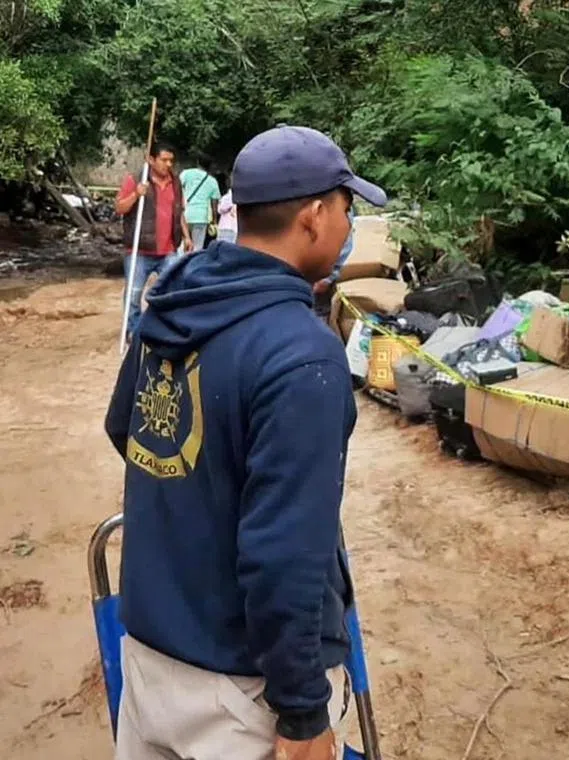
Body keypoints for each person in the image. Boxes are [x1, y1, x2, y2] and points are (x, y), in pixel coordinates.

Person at [104, 125, 387, 760]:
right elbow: (283, 554)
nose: (349, 227)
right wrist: (303, 711)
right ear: (315, 216)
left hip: (150, 665)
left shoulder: (175, 301)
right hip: (240, 697)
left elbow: (129, 431)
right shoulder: (300, 354)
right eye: (348, 209)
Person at [115, 142, 192, 338]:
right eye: (164, 160)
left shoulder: (175, 182)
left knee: (175, 292)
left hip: (168, 250)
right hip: (139, 251)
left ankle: (167, 329)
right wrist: (136, 194)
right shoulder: (135, 179)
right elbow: (120, 208)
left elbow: (179, 212)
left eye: (170, 161)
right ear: (151, 159)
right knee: (133, 295)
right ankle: (134, 330)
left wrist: (186, 235)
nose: (168, 164)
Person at [179, 159, 222, 251]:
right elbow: (214, 203)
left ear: (197, 163)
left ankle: (181, 262)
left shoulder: (186, 173)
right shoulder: (212, 181)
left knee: (183, 244)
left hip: (185, 214)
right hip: (201, 217)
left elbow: (177, 187)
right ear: (210, 167)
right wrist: (214, 220)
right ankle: (194, 263)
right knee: (197, 247)